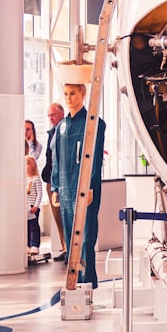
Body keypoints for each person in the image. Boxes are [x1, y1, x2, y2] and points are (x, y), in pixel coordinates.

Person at [50, 83, 105, 288]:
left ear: (83, 93)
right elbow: (56, 157)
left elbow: (95, 157)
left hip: (83, 188)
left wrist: (89, 185)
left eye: (73, 93)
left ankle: (87, 281)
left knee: (86, 237)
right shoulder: (61, 127)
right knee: (70, 238)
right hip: (65, 189)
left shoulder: (94, 123)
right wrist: (55, 186)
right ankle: (73, 281)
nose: (69, 98)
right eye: (65, 94)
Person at [41, 102, 67, 261]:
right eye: (49, 115)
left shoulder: (65, 130)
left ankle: (71, 249)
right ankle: (64, 247)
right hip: (51, 179)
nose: (50, 118)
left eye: (53, 114)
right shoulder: (52, 132)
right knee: (57, 218)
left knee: (66, 215)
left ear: (61, 114)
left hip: (62, 182)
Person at [25, 155, 43, 256]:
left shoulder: (36, 179)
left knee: (34, 226)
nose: (26, 166)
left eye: (28, 163)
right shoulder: (24, 179)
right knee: (26, 226)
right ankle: (27, 245)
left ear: (33, 166)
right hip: (25, 207)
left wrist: (36, 206)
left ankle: (34, 245)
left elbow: (39, 193)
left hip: (33, 206)